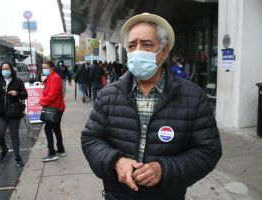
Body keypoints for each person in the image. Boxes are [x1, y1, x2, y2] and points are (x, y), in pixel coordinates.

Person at [81, 13, 222, 200]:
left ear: (163, 52)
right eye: (132, 46)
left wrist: (164, 170)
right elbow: (91, 139)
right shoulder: (108, 95)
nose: (138, 51)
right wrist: (115, 161)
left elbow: (208, 151)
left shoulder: (193, 97)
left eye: (147, 44)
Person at [0, 61, 28, 167]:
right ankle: (4, 148)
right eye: (3, 69)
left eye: (7, 69)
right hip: (1, 113)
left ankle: (17, 157)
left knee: (14, 136)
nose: (5, 71)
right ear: (1, 70)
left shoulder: (18, 81)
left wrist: (17, 93)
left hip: (14, 113)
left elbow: (25, 95)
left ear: (11, 69)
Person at [40, 60, 66, 162]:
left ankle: (52, 153)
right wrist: (45, 82)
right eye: (43, 68)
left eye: (46, 68)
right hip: (57, 107)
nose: (44, 70)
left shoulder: (55, 78)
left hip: (55, 108)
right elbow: (50, 85)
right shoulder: (52, 77)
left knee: (48, 128)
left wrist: (41, 101)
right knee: (56, 128)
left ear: (51, 68)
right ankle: (61, 149)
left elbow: (52, 95)